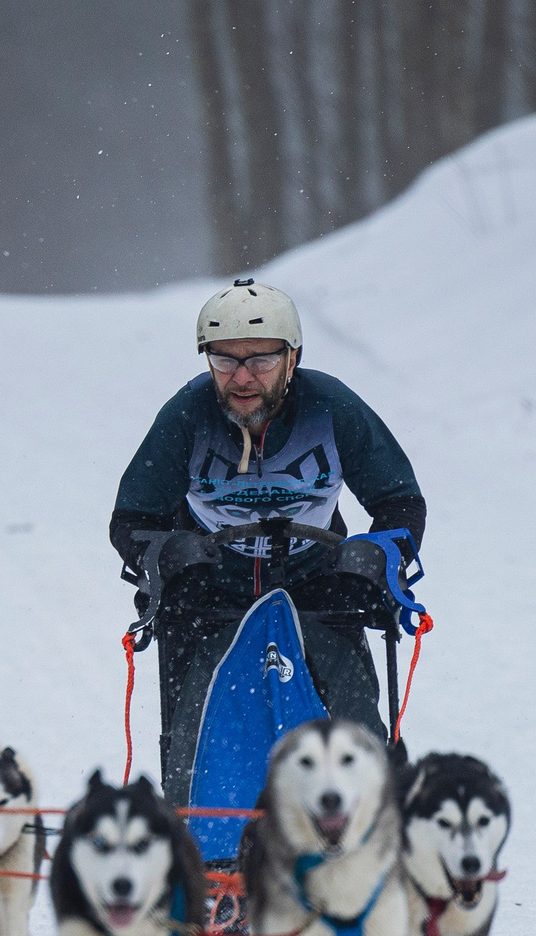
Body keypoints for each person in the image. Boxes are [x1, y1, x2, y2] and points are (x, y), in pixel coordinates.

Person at [109, 278, 427, 804]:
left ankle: (374, 823)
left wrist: (379, 553)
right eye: (224, 360)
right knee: (196, 716)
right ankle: (195, 831)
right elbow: (132, 518)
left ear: (292, 357)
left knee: (353, 712)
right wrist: (169, 552)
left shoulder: (332, 407)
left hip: (318, 585)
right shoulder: (186, 415)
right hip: (212, 591)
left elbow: (400, 500)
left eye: (260, 359)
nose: (241, 378)